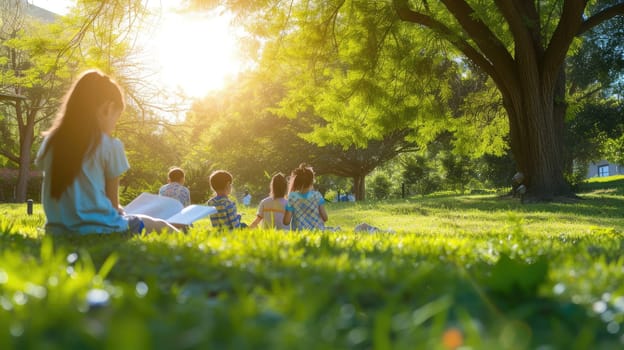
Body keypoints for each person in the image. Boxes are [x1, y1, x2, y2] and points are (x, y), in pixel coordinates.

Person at [35, 69, 178, 235]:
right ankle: (184, 236)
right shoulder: (110, 146)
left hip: (57, 231)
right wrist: (120, 211)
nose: (114, 125)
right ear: (108, 108)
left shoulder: (50, 143)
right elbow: (113, 205)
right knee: (154, 223)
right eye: (116, 118)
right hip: (103, 228)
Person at [283, 163, 328, 230]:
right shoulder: (317, 195)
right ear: (311, 181)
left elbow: (286, 222)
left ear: (296, 182)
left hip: (299, 232)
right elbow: (325, 218)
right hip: (317, 232)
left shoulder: (292, 197)